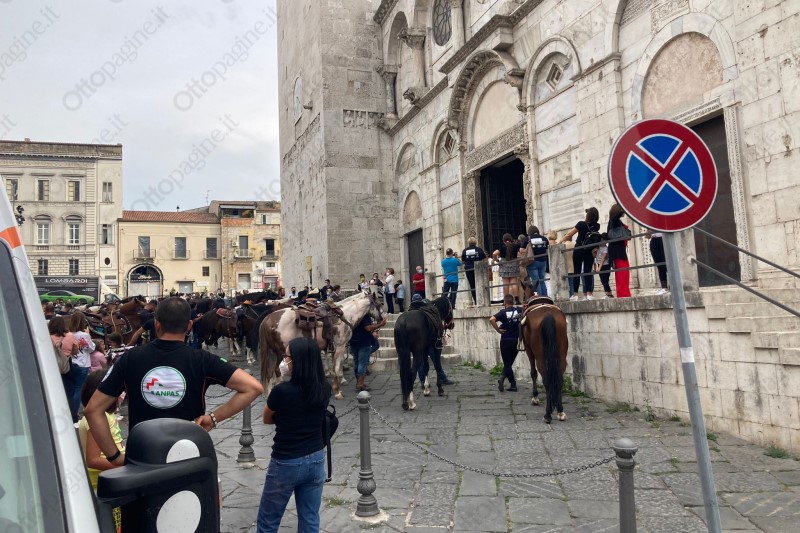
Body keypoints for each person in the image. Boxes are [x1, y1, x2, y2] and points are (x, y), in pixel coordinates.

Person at [85, 297, 264, 469]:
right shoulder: (202, 359)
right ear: (189, 326)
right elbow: (253, 387)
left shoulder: (129, 359)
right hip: (189, 455)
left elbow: (93, 410)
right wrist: (213, 418)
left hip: (143, 456)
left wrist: (114, 457)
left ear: (157, 325)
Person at [257, 338, 330, 532]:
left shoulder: (281, 391)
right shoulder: (324, 387)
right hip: (316, 457)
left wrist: (286, 418)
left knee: (268, 520)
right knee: (310, 518)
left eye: (287, 356)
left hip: (286, 461)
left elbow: (267, 418)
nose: (283, 360)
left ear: (298, 361)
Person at [560, 207, 601, 301]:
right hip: (589, 251)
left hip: (578, 249)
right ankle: (589, 294)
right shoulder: (597, 226)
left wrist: (560, 241)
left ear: (587, 215)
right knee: (588, 272)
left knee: (577, 272)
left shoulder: (581, 224)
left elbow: (569, 234)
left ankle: (575, 294)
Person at [65, 312, 95, 423]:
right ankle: (74, 414)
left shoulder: (68, 334)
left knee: (70, 389)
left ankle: (69, 411)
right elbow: (91, 349)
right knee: (78, 389)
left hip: (71, 363)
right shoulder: (84, 335)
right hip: (83, 364)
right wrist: (89, 335)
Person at [489, 295, 522, 392]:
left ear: (504, 303)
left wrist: (498, 330)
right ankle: (502, 378)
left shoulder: (503, 312)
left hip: (505, 340)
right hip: (516, 341)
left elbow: (491, 319)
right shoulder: (519, 310)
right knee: (509, 363)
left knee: (507, 364)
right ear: (513, 302)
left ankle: (513, 384)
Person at [349, 310, 386, 391]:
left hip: (353, 341)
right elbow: (368, 328)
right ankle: (360, 384)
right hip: (364, 342)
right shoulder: (364, 315)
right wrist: (380, 324)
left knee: (356, 362)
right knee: (362, 363)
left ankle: (358, 382)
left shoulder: (352, 314)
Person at [608, 203, 631, 298]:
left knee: (622, 273)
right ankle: (623, 294)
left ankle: (623, 293)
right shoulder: (614, 221)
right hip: (618, 252)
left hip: (619, 251)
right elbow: (614, 217)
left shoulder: (615, 222)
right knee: (623, 272)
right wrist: (622, 207)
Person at [495, 233, 522, 305]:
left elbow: (494, 253)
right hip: (514, 264)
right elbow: (521, 253)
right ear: (511, 239)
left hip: (504, 265)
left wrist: (496, 260)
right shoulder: (516, 246)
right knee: (514, 283)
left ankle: (506, 301)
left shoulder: (502, 247)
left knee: (505, 284)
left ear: (503, 240)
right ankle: (517, 300)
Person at [460, 237, 487, 305]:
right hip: (479, 269)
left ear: (468, 243)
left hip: (469, 269)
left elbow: (463, 261)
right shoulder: (479, 249)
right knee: (480, 284)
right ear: (475, 242)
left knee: (472, 285)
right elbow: (485, 259)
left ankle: (476, 301)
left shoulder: (465, 251)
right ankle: (481, 300)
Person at [525, 226, 549, 297]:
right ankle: (545, 297)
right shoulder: (544, 238)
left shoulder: (528, 239)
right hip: (543, 262)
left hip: (532, 262)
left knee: (536, 282)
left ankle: (540, 298)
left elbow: (521, 250)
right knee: (542, 281)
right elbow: (547, 251)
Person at [646, 230, 669, 295]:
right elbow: (648, 235)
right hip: (654, 240)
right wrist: (648, 232)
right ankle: (664, 287)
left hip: (664, 238)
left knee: (667, 264)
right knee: (659, 265)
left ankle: (672, 285)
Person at [593, 233, 615, 299]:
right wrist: (593, 252)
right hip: (599, 264)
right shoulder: (598, 247)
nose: (604, 242)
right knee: (603, 280)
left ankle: (608, 294)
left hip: (605, 265)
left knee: (605, 280)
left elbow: (603, 258)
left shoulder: (606, 248)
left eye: (605, 241)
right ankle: (609, 294)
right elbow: (595, 256)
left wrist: (599, 268)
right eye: (603, 240)